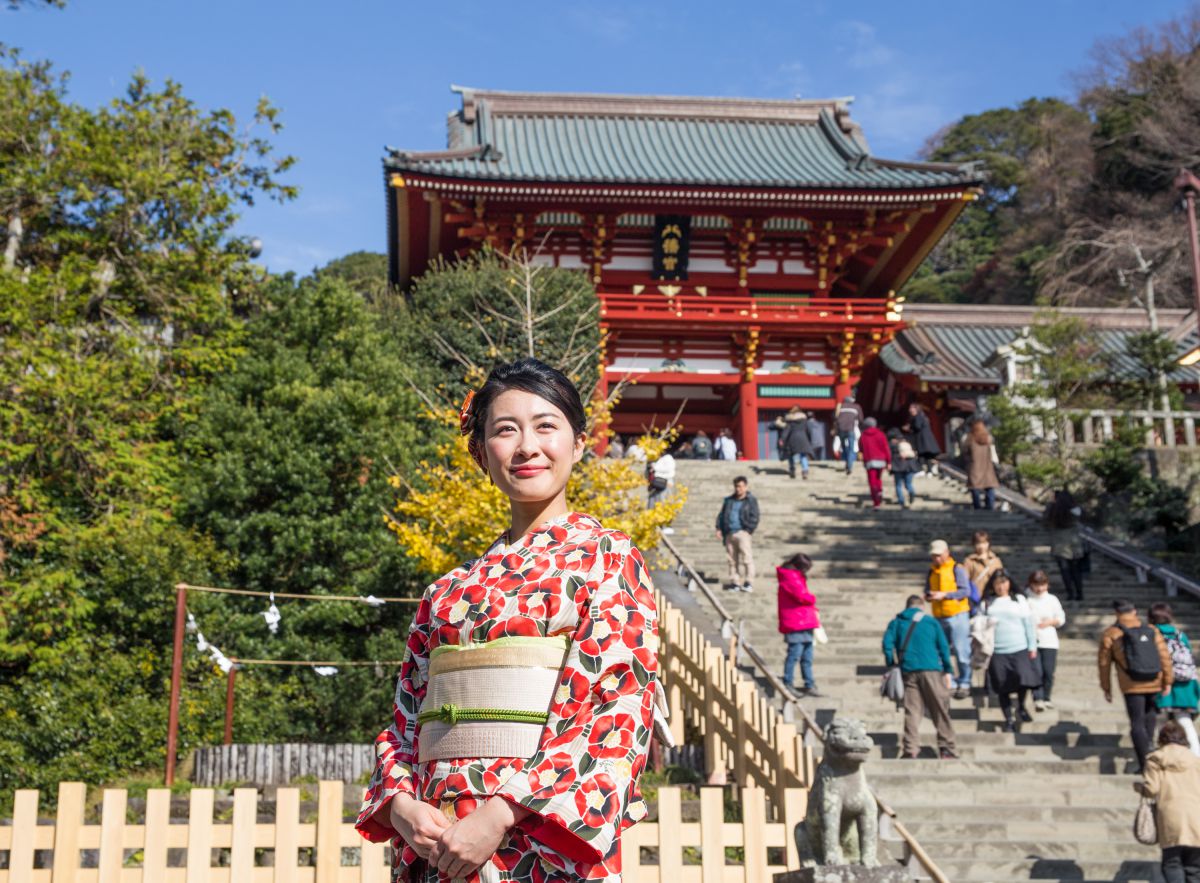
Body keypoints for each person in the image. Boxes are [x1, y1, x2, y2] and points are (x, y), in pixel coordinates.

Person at [356, 357, 658, 883]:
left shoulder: (608, 558)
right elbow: (406, 718)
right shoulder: (445, 592)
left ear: (579, 444)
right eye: (505, 430)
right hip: (440, 834)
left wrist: (499, 814)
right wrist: (402, 805)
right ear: (481, 452)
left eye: (546, 426)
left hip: (537, 835)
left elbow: (616, 708)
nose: (527, 446)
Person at [1099, 598, 1174, 772]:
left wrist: (1106, 688)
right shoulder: (1151, 629)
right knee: (1150, 718)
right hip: (1154, 680)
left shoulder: (1112, 633)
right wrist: (1167, 680)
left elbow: (1104, 664)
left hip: (1131, 684)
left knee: (1137, 722)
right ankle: (1150, 751)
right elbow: (1165, 657)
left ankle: (1145, 762)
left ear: (1117, 613)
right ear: (1134, 611)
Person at [882, 595, 958, 759]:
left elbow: (887, 644)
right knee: (939, 708)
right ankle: (947, 748)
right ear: (922, 607)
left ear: (907, 606)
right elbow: (944, 647)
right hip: (931, 669)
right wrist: (947, 669)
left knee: (912, 711)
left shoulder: (897, 622)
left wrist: (891, 663)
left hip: (908, 670)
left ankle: (910, 749)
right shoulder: (930, 622)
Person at [1138, 720, 1200, 882]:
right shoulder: (1195, 760)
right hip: (1196, 816)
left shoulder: (1155, 759)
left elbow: (1152, 789)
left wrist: (1139, 788)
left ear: (1162, 739)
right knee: (1194, 867)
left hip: (1170, 815)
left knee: (1172, 863)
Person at [981, 570, 1038, 733]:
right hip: (997, 650)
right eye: (998, 583)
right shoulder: (987, 602)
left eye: (1004, 582)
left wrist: (1032, 646)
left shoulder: (1019, 600)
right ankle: (1009, 719)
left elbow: (1028, 624)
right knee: (1002, 686)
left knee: (1023, 680)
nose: (1001, 586)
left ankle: (1021, 706)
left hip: (1019, 646)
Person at [924, 539, 974, 700]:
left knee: (961, 650)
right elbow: (927, 589)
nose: (936, 559)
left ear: (946, 553)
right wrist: (929, 596)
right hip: (939, 615)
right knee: (941, 651)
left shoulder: (956, 569)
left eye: (939, 555)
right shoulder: (931, 571)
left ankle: (965, 681)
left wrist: (945, 595)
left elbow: (965, 591)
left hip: (957, 615)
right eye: (933, 556)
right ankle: (949, 680)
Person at [1149, 602, 1200, 756]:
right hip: (1186, 684)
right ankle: (1196, 756)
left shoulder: (1151, 634)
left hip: (1164, 684)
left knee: (1161, 722)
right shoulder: (1180, 634)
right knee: (1185, 721)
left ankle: (1163, 756)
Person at [777, 553, 822, 697]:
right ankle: (788, 681)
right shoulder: (791, 578)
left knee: (807, 656)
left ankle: (809, 683)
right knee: (795, 654)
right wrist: (812, 598)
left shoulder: (794, 577)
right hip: (796, 622)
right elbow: (803, 596)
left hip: (803, 620)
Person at [1026, 570, 1066, 712]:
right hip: (1032, 640)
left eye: (1042, 585)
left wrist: (1051, 622)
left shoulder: (1052, 599)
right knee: (1037, 670)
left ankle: (1046, 697)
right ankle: (1038, 697)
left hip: (1049, 640)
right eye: (1036, 585)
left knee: (1048, 671)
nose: (1039, 589)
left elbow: (1061, 618)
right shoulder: (1026, 599)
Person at [716, 475, 759, 593]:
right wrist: (719, 528)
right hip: (729, 532)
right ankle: (735, 582)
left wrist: (749, 529)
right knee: (731, 560)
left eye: (740, 486)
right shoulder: (729, 500)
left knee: (747, 558)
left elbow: (755, 516)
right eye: (736, 486)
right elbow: (721, 515)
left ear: (745, 486)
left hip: (742, 532)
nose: (738, 489)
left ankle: (748, 581)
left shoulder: (750, 500)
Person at [1044, 489, 1087, 601]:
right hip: (1074, 545)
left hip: (1059, 544)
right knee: (1076, 570)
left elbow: (1045, 522)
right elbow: (1082, 517)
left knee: (1064, 570)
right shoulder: (1074, 509)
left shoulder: (1053, 509)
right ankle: (1080, 593)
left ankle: (1070, 593)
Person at [963, 420, 1000, 510]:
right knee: (989, 486)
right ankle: (990, 505)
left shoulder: (970, 439)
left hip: (974, 467)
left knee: (974, 487)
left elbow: (965, 453)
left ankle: (977, 506)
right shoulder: (988, 438)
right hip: (987, 466)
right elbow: (992, 452)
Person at [858, 417, 891, 508]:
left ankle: (876, 501)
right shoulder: (881, 434)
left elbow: (861, 448)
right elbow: (886, 448)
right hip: (881, 460)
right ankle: (879, 491)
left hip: (870, 460)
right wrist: (889, 461)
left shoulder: (863, 436)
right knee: (878, 478)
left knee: (872, 481)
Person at [888, 427, 919, 508]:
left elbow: (888, 455)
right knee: (908, 483)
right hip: (910, 466)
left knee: (898, 485)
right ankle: (911, 492)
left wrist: (889, 464)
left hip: (897, 466)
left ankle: (901, 501)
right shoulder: (907, 442)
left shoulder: (891, 445)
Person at [779, 406, 814, 479]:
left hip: (792, 439)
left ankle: (792, 470)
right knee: (803, 455)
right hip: (803, 439)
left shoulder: (790, 421)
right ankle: (805, 470)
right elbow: (809, 431)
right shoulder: (804, 421)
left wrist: (782, 439)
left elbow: (786, 431)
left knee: (790, 455)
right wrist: (809, 440)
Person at [907, 402, 941, 475]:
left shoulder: (918, 417)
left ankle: (922, 470)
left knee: (922, 454)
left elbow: (917, 426)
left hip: (922, 439)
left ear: (915, 409)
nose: (910, 410)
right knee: (926, 455)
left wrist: (910, 427)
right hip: (926, 439)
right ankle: (929, 471)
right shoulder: (923, 416)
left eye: (911, 408)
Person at [834, 396, 864, 475]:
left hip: (841, 430)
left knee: (844, 447)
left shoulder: (840, 407)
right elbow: (861, 419)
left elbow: (835, 418)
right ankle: (849, 466)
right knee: (851, 448)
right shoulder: (856, 407)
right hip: (850, 429)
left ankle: (847, 462)